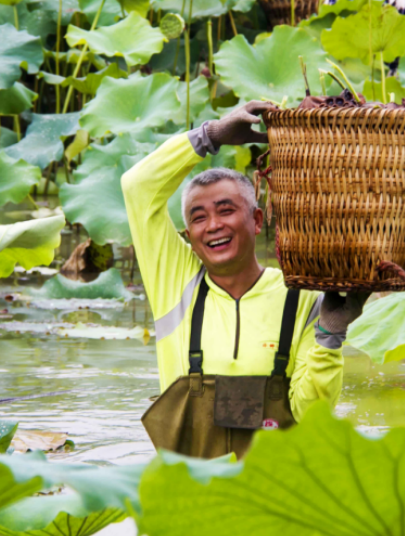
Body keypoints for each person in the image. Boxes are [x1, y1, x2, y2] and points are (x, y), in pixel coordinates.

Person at [122, 102, 370, 459]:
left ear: (256, 220)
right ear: (189, 235)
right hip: (192, 493)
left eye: (226, 210)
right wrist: (210, 135)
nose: (213, 226)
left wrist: (330, 333)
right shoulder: (175, 283)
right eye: (198, 217)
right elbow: (137, 186)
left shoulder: (299, 298)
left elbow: (312, 414)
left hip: (272, 494)